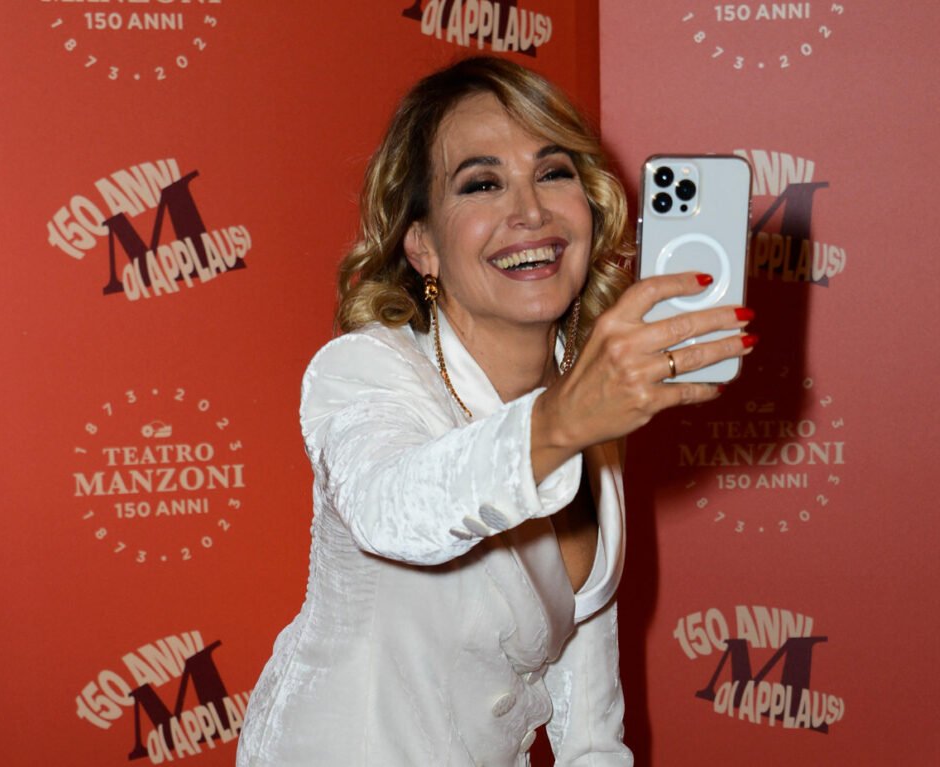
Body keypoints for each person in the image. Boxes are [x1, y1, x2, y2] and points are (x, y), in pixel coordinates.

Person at [236, 56, 756, 766]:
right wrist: (564, 421)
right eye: (482, 183)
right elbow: (392, 511)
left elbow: (587, 708)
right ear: (422, 245)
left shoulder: (587, 406)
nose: (530, 212)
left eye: (553, 172)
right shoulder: (365, 369)